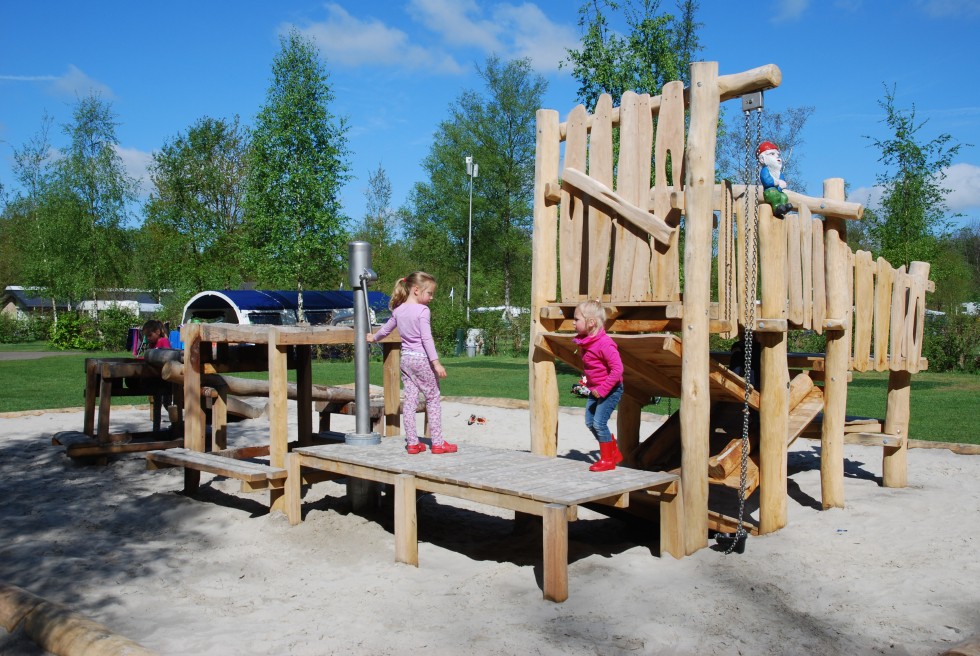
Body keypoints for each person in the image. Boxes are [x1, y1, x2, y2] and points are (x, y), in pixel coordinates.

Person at [366, 272, 456, 455]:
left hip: (406, 359)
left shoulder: (398, 311)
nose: (431, 297)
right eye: (429, 293)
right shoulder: (423, 311)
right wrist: (436, 363)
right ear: (416, 290)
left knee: (410, 400)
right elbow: (426, 339)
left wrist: (374, 338)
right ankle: (438, 443)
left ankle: (413, 443)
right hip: (422, 359)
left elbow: (386, 329)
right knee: (432, 398)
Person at [573, 299, 624, 472]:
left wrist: (603, 389)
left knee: (599, 423)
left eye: (576, 319)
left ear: (591, 322)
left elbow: (618, 369)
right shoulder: (587, 341)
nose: (573, 323)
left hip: (611, 389)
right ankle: (613, 451)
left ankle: (608, 460)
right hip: (596, 390)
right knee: (590, 422)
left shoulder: (605, 344)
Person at [757, 140, 794, 218]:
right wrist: (777, 182)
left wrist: (782, 185)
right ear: (762, 159)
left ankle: (784, 207)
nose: (777, 157)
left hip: (778, 191)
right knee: (775, 195)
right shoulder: (765, 170)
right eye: (772, 154)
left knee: (784, 196)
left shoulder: (778, 172)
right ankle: (776, 208)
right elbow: (767, 181)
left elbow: (782, 181)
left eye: (778, 154)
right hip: (770, 192)